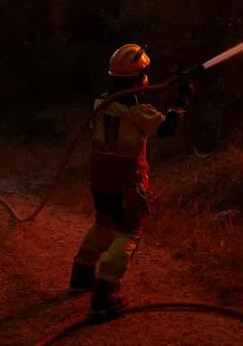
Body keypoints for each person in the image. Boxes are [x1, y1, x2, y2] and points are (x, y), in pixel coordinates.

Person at [68, 43, 193, 316]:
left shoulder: (101, 103)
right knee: (128, 232)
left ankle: (81, 276)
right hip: (127, 181)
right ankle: (105, 294)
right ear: (139, 77)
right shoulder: (137, 111)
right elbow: (167, 127)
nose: (147, 78)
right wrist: (183, 100)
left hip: (101, 177)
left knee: (104, 224)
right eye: (145, 74)